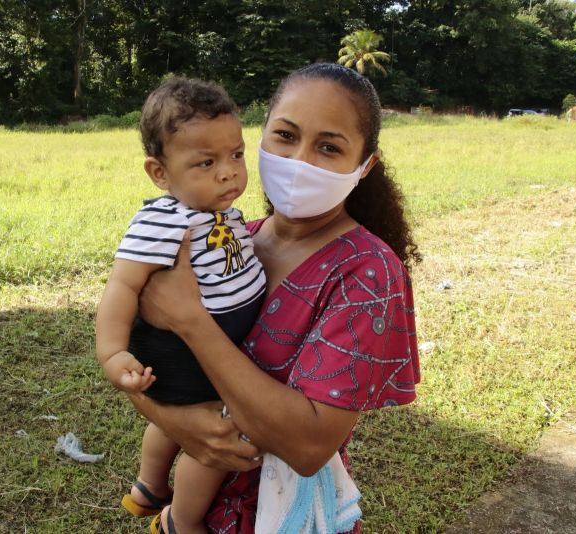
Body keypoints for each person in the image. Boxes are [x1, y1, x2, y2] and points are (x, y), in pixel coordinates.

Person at [130, 62, 422, 533]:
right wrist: (182, 426)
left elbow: (308, 448)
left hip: (280, 515)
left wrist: (192, 322)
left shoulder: (366, 274)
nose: (300, 160)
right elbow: (139, 367)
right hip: (195, 507)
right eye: (285, 136)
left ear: (364, 166)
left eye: (329, 147)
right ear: (259, 137)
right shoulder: (232, 239)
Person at [95, 77, 266, 534]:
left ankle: (149, 487)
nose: (229, 172)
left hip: (207, 344)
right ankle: (182, 522)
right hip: (185, 352)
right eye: (206, 162)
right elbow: (122, 288)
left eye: (236, 154)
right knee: (214, 439)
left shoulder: (221, 209)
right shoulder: (163, 219)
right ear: (160, 173)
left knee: (175, 423)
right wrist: (112, 353)